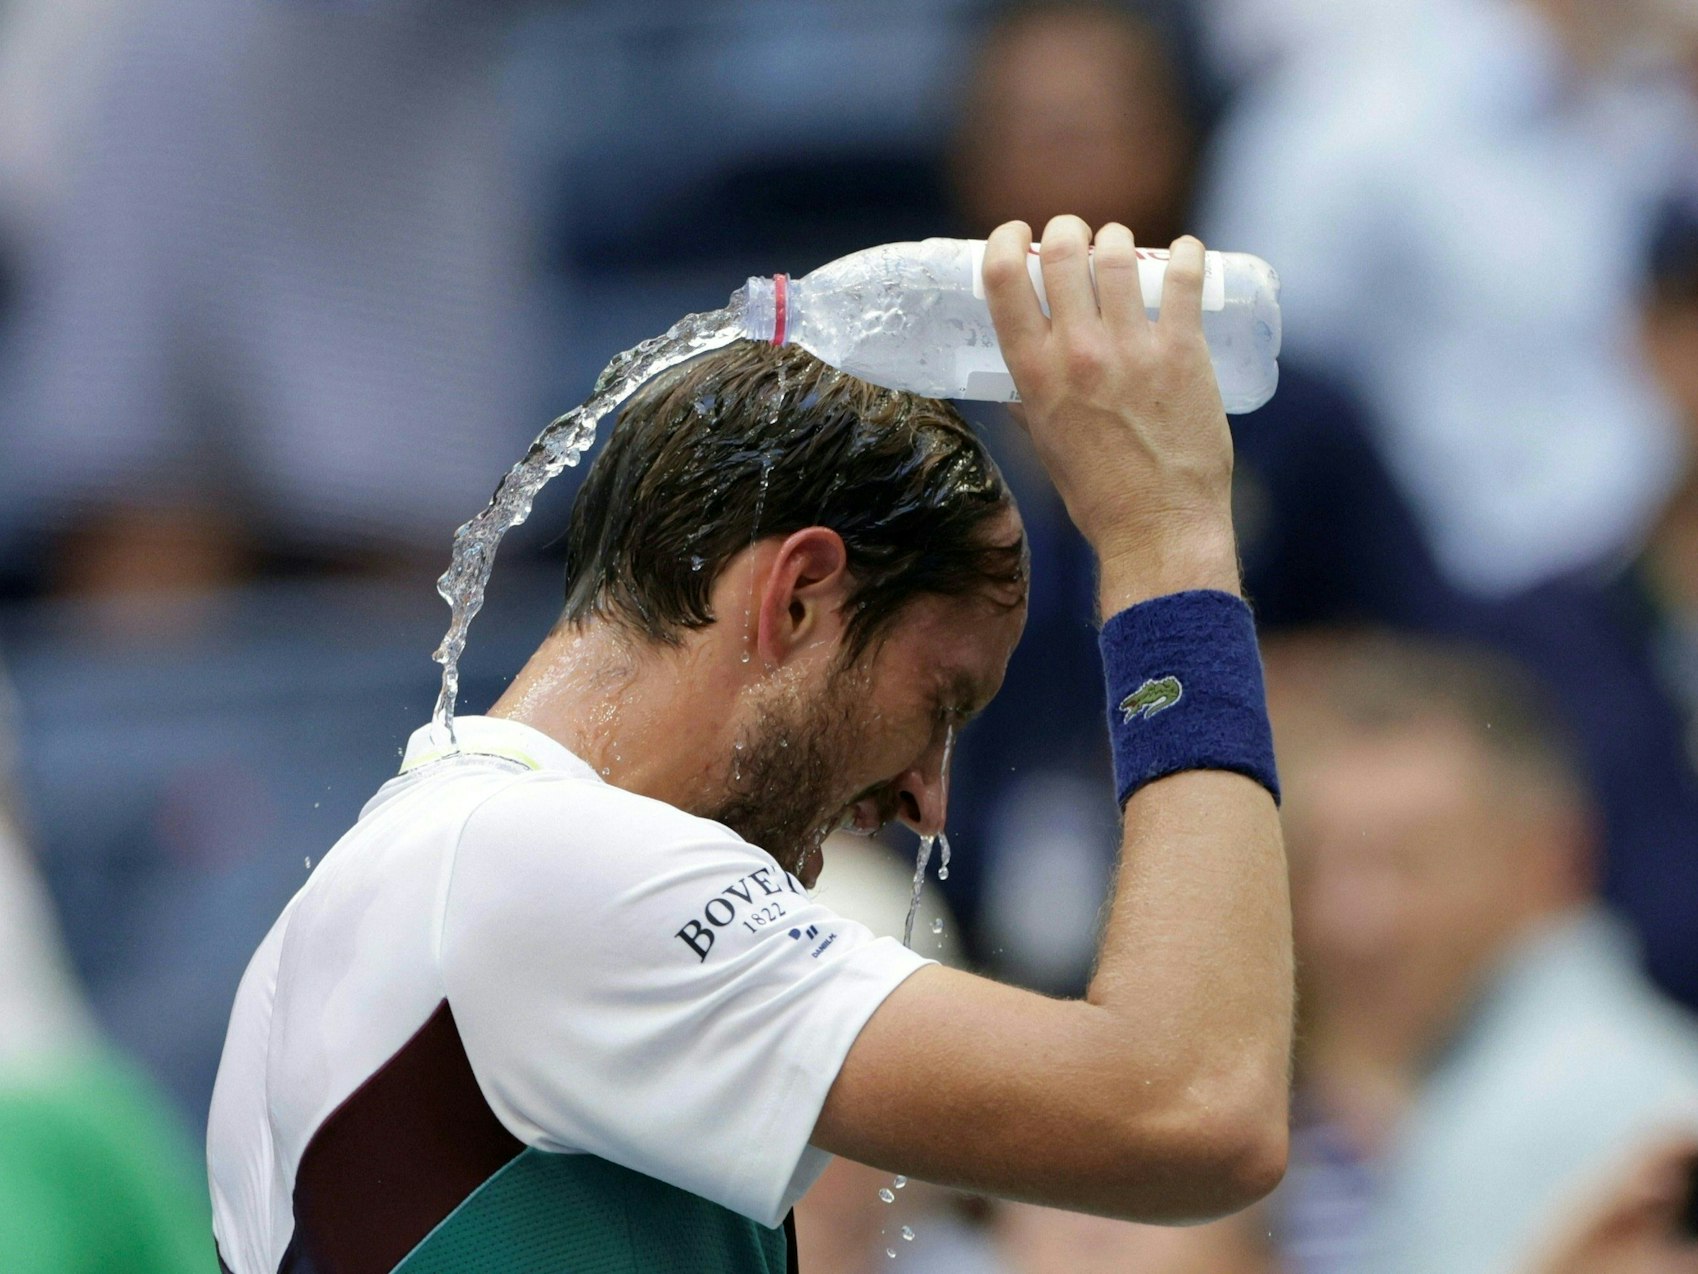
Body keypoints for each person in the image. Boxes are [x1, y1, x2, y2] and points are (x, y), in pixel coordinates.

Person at [206, 217, 1294, 1271]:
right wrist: (1169, 535)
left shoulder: (399, 891)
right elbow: (1193, 1105)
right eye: (941, 700)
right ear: (802, 596)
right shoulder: (546, 867)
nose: (928, 797)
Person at [1263, 631, 1698, 1273]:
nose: (1350, 920)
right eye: (1322, 864)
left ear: (1553, 858)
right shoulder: (1456, 1088)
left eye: (1404, 865)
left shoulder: (1563, 1111)